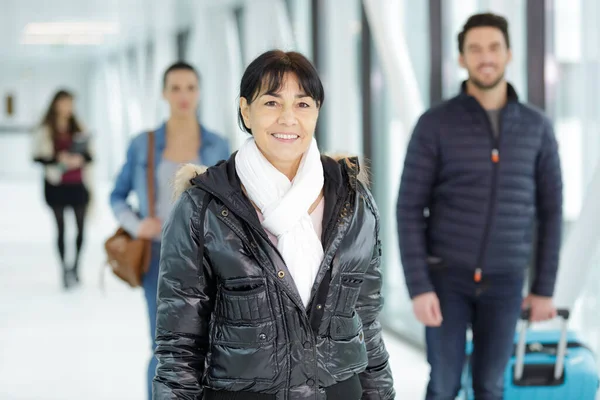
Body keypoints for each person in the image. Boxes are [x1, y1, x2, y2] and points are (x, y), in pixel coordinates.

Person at [153, 50, 395, 399]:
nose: (287, 118)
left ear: (316, 112)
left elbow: (367, 321)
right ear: (245, 110)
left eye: (302, 104)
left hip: (340, 390)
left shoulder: (353, 200)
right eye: (271, 103)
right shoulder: (202, 206)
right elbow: (179, 346)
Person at [396, 13, 563, 400]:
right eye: (475, 49)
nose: (485, 57)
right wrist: (419, 287)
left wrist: (543, 289)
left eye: (493, 48)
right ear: (461, 58)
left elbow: (552, 212)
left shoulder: (537, 128)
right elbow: (408, 209)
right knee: (443, 385)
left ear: (508, 54)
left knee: (491, 386)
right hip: (446, 280)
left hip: (505, 282)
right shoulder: (434, 125)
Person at [109, 61, 230, 400]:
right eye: (175, 88)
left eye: (190, 87)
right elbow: (116, 196)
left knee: (209, 343)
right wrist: (138, 224)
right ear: (164, 93)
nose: (183, 95)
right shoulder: (142, 145)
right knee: (165, 346)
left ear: (199, 93)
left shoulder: (218, 146)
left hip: (209, 258)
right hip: (160, 256)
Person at [32, 90, 92, 290]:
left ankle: (76, 266)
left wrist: (79, 159)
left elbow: (91, 155)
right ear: (56, 104)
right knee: (61, 229)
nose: (68, 107)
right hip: (56, 184)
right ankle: (63, 269)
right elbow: (37, 157)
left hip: (77, 184)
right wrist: (58, 159)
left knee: (81, 229)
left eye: (70, 103)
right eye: (64, 103)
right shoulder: (45, 129)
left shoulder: (79, 126)